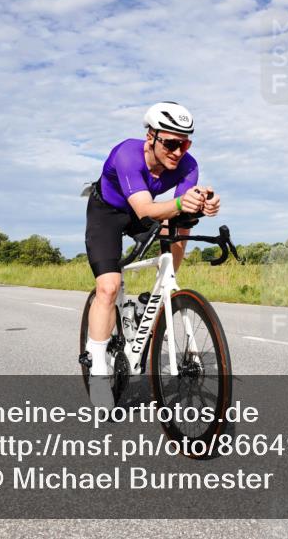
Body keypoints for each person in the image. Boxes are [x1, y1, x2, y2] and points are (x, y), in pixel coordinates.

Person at [83, 102, 220, 382]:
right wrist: (182, 202)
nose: (178, 152)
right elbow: (145, 208)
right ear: (151, 137)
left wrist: (202, 205)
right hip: (108, 213)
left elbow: (181, 206)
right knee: (108, 288)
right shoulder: (127, 155)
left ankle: (160, 291)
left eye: (185, 144)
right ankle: (97, 364)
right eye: (170, 144)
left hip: (143, 210)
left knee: (181, 223)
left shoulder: (188, 165)